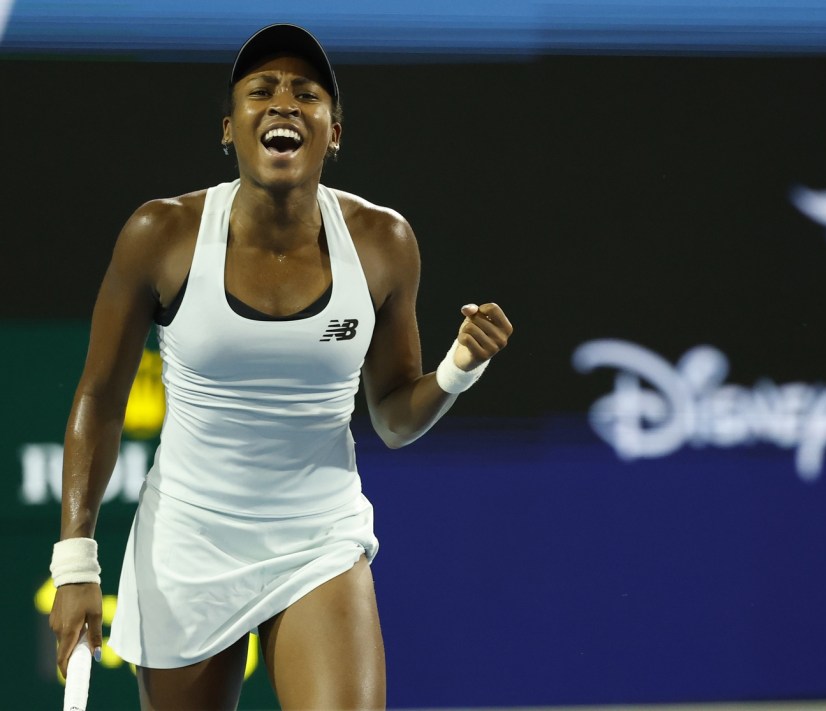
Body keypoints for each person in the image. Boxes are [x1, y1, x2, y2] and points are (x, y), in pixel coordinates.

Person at [47, 23, 512, 710]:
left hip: (318, 539)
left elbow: (391, 415)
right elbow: (99, 398)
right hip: (188, 541)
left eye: (307, 93)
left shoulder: (384, 242)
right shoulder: (160, 235)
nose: (284, 103)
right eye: (261, 91)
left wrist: (457, 369)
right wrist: (75, 562)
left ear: (335, 132)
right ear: (230, 129)